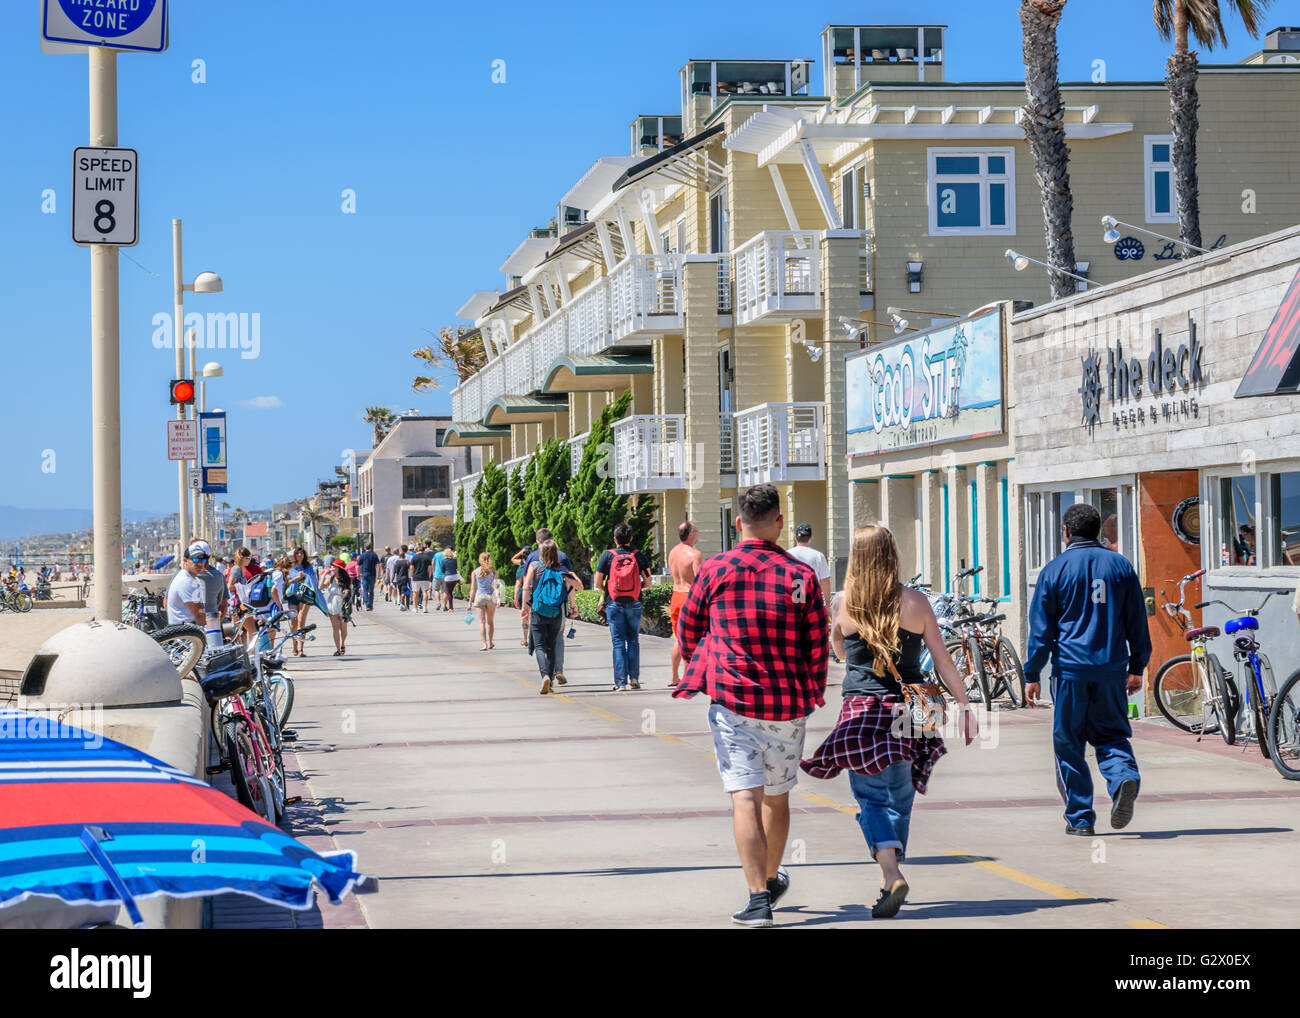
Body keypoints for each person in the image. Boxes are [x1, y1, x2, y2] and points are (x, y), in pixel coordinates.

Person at [672, 484, 829, 928]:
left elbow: (688, 628)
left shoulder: (717, 568)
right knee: (777, 798)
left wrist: (701, 658)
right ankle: (773, 876)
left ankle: (758, 896)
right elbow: (817, 641)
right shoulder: (800, 577)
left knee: (745, 795)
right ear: (780, 522)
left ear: (738, 523)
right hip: (786, 705)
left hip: (733, 701)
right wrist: (813, 691)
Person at [801, 524, 977, 919]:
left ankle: (891, 872)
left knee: (869, 797)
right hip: (914, 708)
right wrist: (965, 706)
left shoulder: (844, 603)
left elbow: (840, 651)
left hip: (863, 709)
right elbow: (943, 660)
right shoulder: (916, 601)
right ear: (891, 554)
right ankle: (890, 874)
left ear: (857, 558)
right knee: (901, 795)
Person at [1025, 503, 1151, 837]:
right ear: (1098, 530)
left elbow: (1041, 630)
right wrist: (1137, 665)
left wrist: (1032, 673)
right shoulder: (1121, 566)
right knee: (1111, 734)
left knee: (1069, 744)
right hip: (1111, 670)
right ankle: (1123, 776)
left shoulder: (1054, 570)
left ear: (1065, 531)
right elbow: (1137, 621)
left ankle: (1080, 819)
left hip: (1070, 671)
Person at [594, 523, 651, 691]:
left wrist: (610, 589)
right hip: (634, 603)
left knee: (618, 642)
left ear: (615, 539)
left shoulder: (607, 556)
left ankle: (621, 683)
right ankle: (634, 678)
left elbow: (597, 583)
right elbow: (647, 583)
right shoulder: (638, 556)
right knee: (633, 640)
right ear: (631, 539)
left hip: (614, 603)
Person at [521, 540, 582, 695]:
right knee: (552, 645)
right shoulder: (562, 569)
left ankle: (545, 676)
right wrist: (569, 580)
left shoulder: (534, 566)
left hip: (538, 610)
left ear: (541, 553)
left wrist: (525, 608)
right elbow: (579, 586)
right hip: (556, 611)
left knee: (540, 646)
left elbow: (526, 587)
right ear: (556, 553)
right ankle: (551, 679)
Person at [667, 522, 703, 687]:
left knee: (679, 638)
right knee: (691, 638)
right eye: (696, 531)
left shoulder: (673, 552)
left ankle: (674, 676)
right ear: (691, 534)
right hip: (689, 597)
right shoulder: (695, 555)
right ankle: (689, 677)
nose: (697, 534)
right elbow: (700, 582)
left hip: (675, 596)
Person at [166, 543, 209, 627]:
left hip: (187, 629)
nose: (200, 563)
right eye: (196, 560)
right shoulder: (185, 581)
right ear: (185, 560)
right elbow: (199, 614)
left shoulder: (190, 578)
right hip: (186, 633)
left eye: (203, 560)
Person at [788, 523, 832, 605]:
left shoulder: (787, 554)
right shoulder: (818, 556)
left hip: (792, 600)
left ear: (795, 538)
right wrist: (828, 603)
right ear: (811, 538)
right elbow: (825, 581)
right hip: (812, 599)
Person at [286, 547, 318, 657]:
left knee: (301, 621)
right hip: (293, 596)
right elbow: (286, 582)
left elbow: (314, 581)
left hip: (304, 596)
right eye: (297, 553)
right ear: (294, 555)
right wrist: (296, 579)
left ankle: (301, 649)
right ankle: (294, 647)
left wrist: (305, 577)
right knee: (293, 623)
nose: (300, 555)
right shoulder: (290, 568)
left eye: (302, 553)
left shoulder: (308, 567)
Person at [470, 552, 498, 651]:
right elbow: (495, 586)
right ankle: (490, 642)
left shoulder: (474, 572)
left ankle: (484, 644)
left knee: (481, 622)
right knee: (490, 622)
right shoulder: (494, 572)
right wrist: (498, 598)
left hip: (479, 597)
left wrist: (470, 603)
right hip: (490, 597)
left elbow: (473, 588)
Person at [511, 545, 534, 646]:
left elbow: (518, 585)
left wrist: (515, 598)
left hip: (524, 594)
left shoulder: (521, 566)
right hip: (535, 592)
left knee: (525, 616)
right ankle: (536, 638)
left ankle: (525, 639)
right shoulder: (535, 565)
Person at [411, 543, 433, 613]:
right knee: (425, 592)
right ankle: (425, 608)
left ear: (418, 550)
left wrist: (412, 576)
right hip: (425, 577)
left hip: (416, 577)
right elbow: (430, 568)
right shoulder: (427, 557)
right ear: (424, 550)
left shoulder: (414, 557)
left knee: (415, 593)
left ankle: (415, 608)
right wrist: (429, 576)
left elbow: (411, 568)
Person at [357, 543, 380, 611]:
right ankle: (370, 604)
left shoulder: (362, 555)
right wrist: (379, 574)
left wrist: (358, 574)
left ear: (365, 548)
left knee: (365, 589)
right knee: (371, 590)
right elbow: (379, 565)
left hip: (364, 574)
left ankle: (367, 604)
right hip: (372, 574)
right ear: (371, 548)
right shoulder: (374, 555)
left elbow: (358, 566)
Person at [442, 548, 462, 613]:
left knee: (448, 593)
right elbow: (456, 568)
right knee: (450, 592)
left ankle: (451, 608)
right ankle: (450, 607)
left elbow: (442, 570)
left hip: (447, 578)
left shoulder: (444, 561)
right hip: (455, 577)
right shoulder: (455, 560)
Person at [392, 547, 411, 611]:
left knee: (400, 592)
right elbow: (411, 570)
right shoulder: (407, 562)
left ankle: (403, 604)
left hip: (398, 579)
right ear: (404, 556)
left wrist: (392, 580)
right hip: (405, 578)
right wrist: (411, 578)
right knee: (404, 592)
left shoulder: (396, 562)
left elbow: (394, 572)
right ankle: (402, 604)